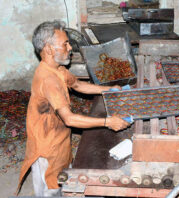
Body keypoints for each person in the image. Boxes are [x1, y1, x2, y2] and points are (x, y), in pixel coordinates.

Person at [16, 20, 130, 196]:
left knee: (63, 178)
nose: (70, 47)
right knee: (51, 188)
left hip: (59, 137)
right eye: (65, 44)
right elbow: (69, 118)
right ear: (49, 49)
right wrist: (108, 122)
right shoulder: (49, 80)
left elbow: (77, 85)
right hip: (47, 146)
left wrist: (108, 89)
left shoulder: (57, 69)